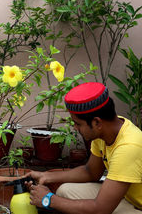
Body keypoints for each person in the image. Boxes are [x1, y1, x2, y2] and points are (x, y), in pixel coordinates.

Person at [25, 82, 142, 214]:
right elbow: (90, 172)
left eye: (78, 124)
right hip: (128, 198)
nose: (75, 128)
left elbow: (100, 209)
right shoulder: (105, 132)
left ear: (97, 122)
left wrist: (48, 199)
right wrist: (46, 176)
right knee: (65, 190)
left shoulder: (129, 147)